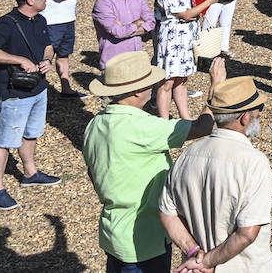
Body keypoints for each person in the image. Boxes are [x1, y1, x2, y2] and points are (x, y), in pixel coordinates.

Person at [83, 51, 216, 273]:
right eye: (149, 83)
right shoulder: (142, 127)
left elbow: (92, 171)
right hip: (145, 239)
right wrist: (215, 89)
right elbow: (203, 127)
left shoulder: (95, 123)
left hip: (113, 231)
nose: (153, 87)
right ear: (137, 91)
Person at [159, 77, 272, 272]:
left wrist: (194, 252)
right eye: (258, 109)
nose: (260, 114)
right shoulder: (254, 163)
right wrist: (208, 262)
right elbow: (247, 233)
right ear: (244, 117)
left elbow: (167, 213)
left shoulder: (187, 155)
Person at [0, 0, 62, 210]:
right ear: (30, 0)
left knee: (31, 133)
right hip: (14, 94)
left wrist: (47, 60)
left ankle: (30, 173)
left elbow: (48, 46)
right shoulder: (6, 24)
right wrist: (20, 60)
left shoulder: (40, 20)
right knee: (4, 142)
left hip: (38, 88)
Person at [155, 0, 217, 119]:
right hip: (173, 39)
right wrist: (209, 2)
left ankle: (185, 117)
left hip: (187, 38)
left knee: (182, 80)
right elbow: (186, 14)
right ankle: (163, 120)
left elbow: (193, 10)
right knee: (167, 81)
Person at [92, 0, 156, 70]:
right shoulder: (103, 3)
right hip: (115, 63)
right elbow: (117, 32)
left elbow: (151, 22)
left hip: (137, 59)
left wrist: (125, 29)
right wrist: (137, 24)